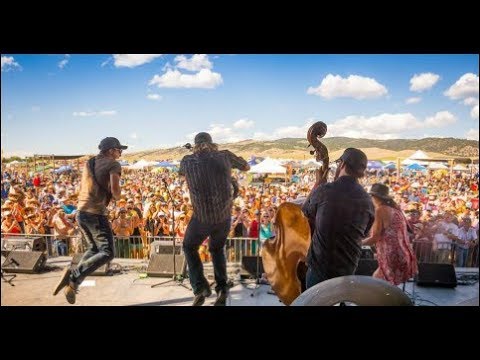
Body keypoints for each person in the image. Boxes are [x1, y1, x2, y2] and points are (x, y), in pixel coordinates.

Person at [52, 137, 126, 304]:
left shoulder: (89, 162)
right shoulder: (114, 164)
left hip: (81, 212)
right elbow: (116, 191)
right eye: (118, 149)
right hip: (95, 213)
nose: (120, 152)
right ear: (110, 150)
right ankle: (74, 276)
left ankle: (72, 279)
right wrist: (120, 195)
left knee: (94, 248)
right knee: (107, 252)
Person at [179, 132, 250, 306]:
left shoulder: (187, 161)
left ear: (196, 145)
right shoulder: (224, 155)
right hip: (223, 218)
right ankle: (222, 289)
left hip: (201, 218)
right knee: (217, 250)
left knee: (189, 246)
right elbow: (246, 166)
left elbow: (183, 174)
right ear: (212, 143)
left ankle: (200, 287)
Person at [302, 148, 375, 288]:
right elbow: (364, 233)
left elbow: (305, 212)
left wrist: (318, 184)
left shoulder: (325, 190)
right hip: (347, 271)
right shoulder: (368, 201)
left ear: (342, 164)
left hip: (320, 270)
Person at [362, 183, 418, 285]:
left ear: (374, 197)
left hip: (391, 255)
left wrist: (357, 244)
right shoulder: (396, 210)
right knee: (385, 287)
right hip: (402, 254)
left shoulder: (381, 210)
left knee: (377, 285)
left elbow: (374, 238)